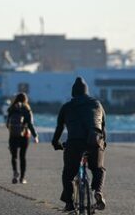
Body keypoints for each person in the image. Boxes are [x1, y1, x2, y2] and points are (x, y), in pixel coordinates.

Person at [52, 77, 107, 212]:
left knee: (68, 173)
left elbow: (59, 128)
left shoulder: (66, 107)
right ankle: (97, 192)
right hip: (95, 141)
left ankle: (69, 203)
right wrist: (103, 144)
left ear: (73, 93)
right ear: (86, 92)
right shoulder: (97, 104)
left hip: (74, 143)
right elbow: (103, 126)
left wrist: (56, 143)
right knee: (98, 169)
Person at [6, 92, 39, 184]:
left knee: (14, 156)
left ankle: (15, 173)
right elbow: (30, 124)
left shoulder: (12, 108)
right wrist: (35, 135)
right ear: (26, 100)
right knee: (22, 156)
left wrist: (13, 130)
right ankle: (22, 178)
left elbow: (7, 124)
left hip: (13, 136)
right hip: (24, 136)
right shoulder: (27, 109)